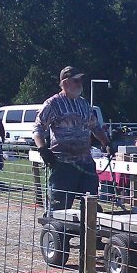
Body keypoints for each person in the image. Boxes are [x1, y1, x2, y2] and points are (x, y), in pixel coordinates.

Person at [33, 66, 111, 215]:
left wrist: (106, 143)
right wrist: (42, 149)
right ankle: (55, 233)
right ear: (66, 83)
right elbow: (38, 129)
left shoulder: (83, 104)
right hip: (63, 164)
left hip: (85, 162)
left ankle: (89, 233)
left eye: (80, 80)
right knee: (59, 207)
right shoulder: (52, 104)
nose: (80, 83)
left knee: (91, 201)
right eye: (76, 80)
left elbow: (95, 127)